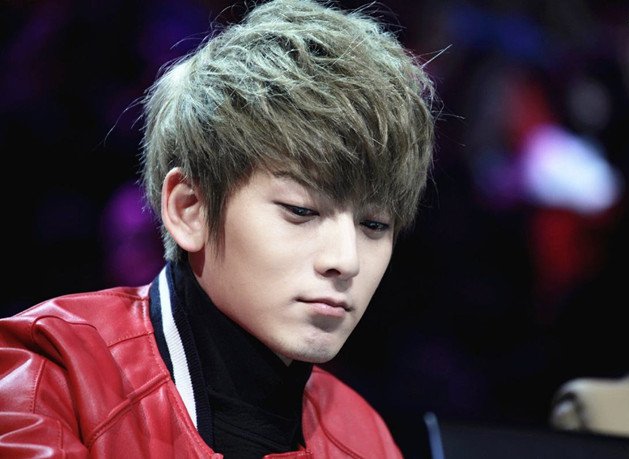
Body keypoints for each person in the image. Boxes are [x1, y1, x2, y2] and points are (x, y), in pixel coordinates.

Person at [0, 0, 436, 456]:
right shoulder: (51, 376)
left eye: (374, 224)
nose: (346, 260)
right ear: (190, 209)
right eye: (301, 211)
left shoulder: (366, 436)